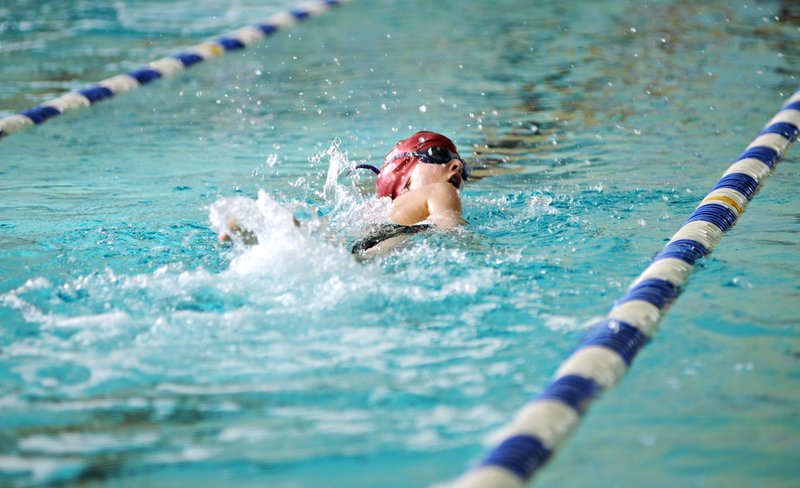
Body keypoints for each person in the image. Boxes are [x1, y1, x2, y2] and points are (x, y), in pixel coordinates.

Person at [219, 130, 469, 254]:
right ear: (403, 170)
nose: (457, 165)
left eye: (462, 166)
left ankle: (280, 234)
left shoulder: (374, 212)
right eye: (439, 155)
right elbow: (452, 232)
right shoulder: (441, 191)